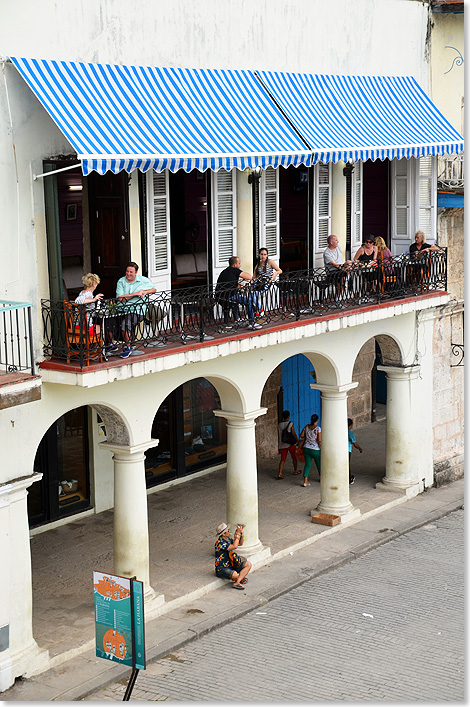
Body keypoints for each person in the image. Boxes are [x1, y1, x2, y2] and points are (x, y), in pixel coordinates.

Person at [115, 262, 157, 358]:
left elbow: (154, 289)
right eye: (127, 271)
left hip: (137, 310)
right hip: (122, 309)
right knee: (109, 321)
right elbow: (121, 298)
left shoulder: (143, 280)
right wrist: (135, 294)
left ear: (136, 272)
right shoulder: (121, 281)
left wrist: (145, 292)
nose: (128, 274)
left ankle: (127, 347)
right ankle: (110, 345)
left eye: (131, 272)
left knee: (126, 323)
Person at [215, 256, 261, 330]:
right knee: (249, 301)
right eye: (239, 263)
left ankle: (237, 319)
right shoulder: (234, 270)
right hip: (228, 296)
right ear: (234, 265)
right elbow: (248, 277)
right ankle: (251, 322)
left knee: (235, 300)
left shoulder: (225, 271)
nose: (240, 265)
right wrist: (253, 279)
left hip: (220, 296)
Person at [214, 522, 252, 590]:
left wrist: (241, 534)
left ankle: (237, 582)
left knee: (248, 564)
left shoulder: (228, 540)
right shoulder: (219, 543)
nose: (229, 532)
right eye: (228, 531)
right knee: (235, 574)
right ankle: (240, 579)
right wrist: (237, 534)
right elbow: (234, 546)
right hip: (222, 568)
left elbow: (240, 543)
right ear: (224, 534)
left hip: (231, 565)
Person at [253, 247, 282, 316]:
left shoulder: (270, 262)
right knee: (251, 294)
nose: (263, 256)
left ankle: (260, 308)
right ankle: (259, 308)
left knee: (254, 294)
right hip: (259, 282)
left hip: (266, 282)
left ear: (267, 255)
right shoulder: (258, 264)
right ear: (259, 255)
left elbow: (280, 270)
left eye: (265, 254)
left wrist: (275, 274)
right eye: (262, 254)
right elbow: (254, 276)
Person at [323, 235, 351, 304]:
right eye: (336, 240)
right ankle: (338, 297)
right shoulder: (327, 253)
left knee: (349, 262)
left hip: (341, 267)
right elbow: (334, 264)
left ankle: (347, 279)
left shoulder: (337, 247)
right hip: (332, 271)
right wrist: (343, 269)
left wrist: (344, 268)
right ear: (331, 242)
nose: (338, 241)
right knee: (342, 278)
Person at [298, 414, 321, 487]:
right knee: (319, 464)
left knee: (307, 465)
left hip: (306, 448)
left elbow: (301, 435)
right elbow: (319, 440)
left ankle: (305, 481)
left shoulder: (306, 427)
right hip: (315, 449)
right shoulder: (318, 429)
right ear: (317, 421)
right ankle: (321, 478)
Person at [277, 410, 300, 479]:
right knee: (294, 457)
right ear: (289, 416)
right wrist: (297, 440)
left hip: (282, 444)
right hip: (290, 444)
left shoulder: (279, 424)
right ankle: (295, 470)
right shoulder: (290, 424)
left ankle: (280, 473)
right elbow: (293, 433)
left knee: (282, 459)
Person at [348, 417, 362, 485]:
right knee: (347, 465)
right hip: (347, 451)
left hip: (341, 450)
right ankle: (350, 479)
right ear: (350, 425)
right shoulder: (350, 434)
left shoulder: (340, 431)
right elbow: (355, 444)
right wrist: (360, 448)